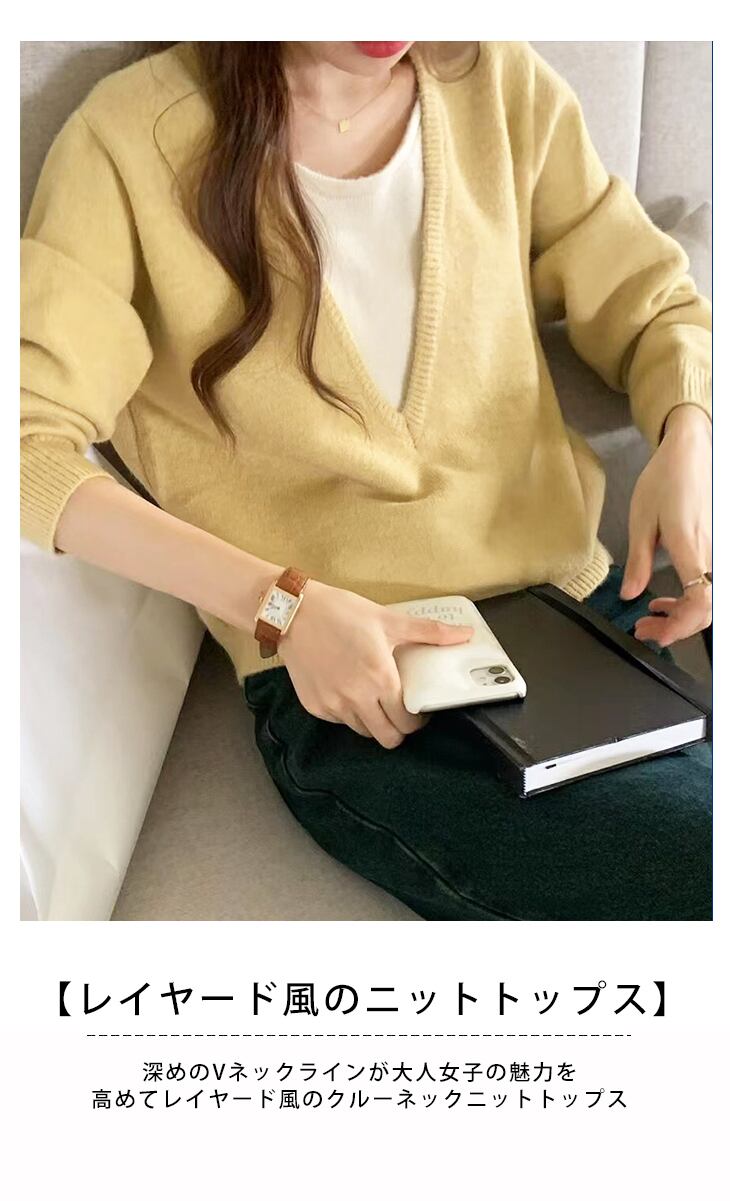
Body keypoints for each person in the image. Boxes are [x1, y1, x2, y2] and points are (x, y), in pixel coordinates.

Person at [20, 41, 712, 920]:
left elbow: (655, 305)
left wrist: (687, 441)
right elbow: (27, 444)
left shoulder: (500, 84)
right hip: (361, 687)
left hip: (582, 616)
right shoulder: (127, 140)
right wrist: (283, 605)